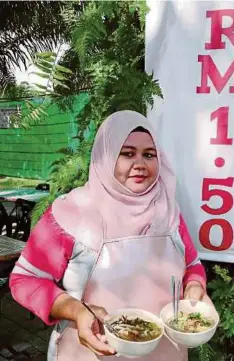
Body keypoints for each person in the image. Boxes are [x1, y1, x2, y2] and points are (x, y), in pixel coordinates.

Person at [10, 110, 214, 361]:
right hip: (89, 351)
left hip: (165, 353)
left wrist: (195, 287)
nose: (140, 164)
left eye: (149, 155)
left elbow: (192, 265)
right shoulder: (72, 212)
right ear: (103, 157)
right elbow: (26, 279)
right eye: (127, 154)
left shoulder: (168, 211)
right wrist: (76, 310)